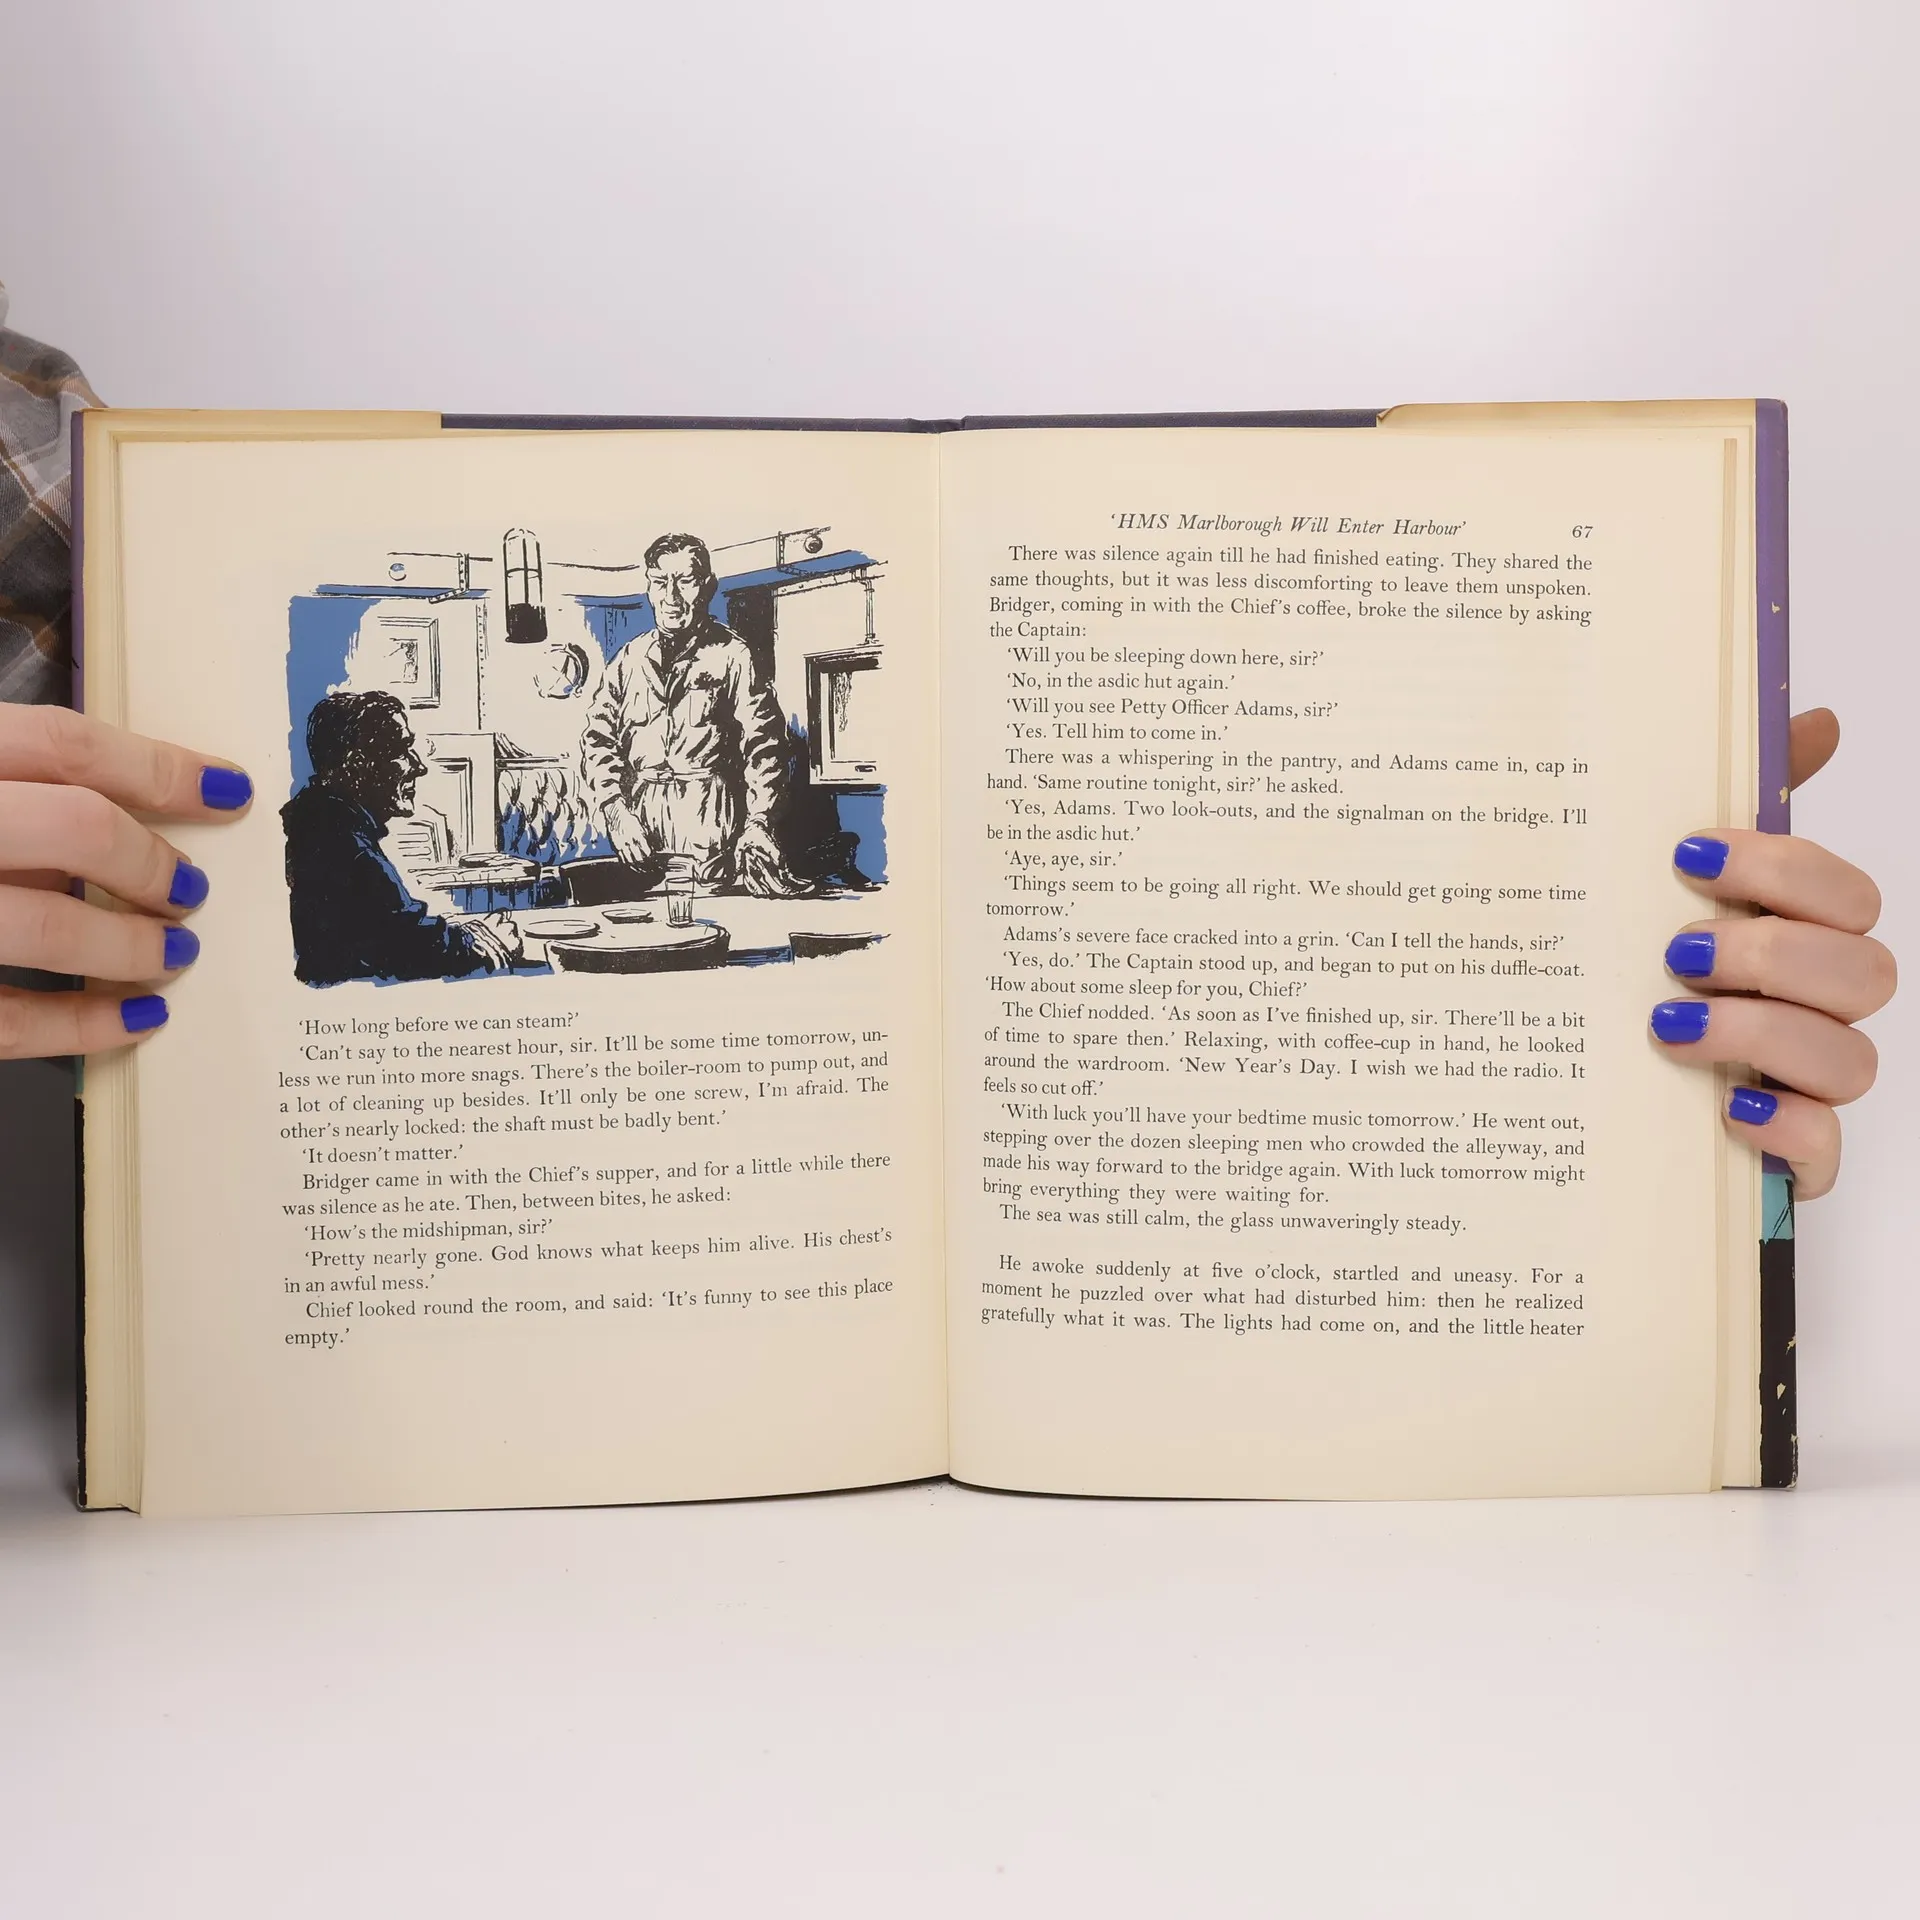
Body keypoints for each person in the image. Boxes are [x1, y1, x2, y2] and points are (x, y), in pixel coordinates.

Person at [579, 531, 804, 896]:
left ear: (708, 587)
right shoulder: (628, 660)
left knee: (709, 916)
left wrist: (759, 821)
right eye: (659, 582)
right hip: (640, 831)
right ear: (649, 587)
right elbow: (598, 740)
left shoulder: (734, 655)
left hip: (710, 824)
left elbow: (764, 744)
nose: (671, 597)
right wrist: (615, 810)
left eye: (685, 581)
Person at [281, 690, 519, 985]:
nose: (419, 766)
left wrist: (465, 934)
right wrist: (484, 943)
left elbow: (394, 929)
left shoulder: (319, 824)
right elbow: (407, 947)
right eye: (401, 751)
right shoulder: (348, 850)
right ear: (358, 765)